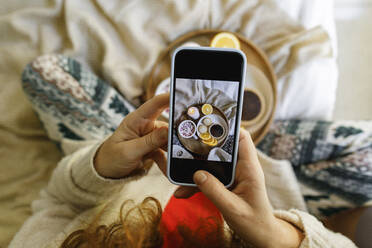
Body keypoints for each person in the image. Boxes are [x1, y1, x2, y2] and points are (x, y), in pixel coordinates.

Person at [9, 54, 366, 247]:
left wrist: (103, 166)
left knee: (46, 74)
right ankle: (244, 135)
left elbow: (56, 202)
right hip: (268, 193)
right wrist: (278, 238)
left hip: (134, 172)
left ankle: (216, 129)